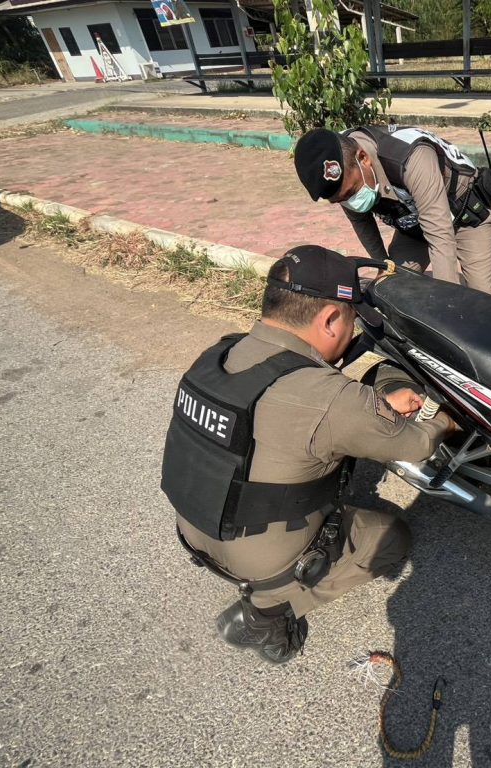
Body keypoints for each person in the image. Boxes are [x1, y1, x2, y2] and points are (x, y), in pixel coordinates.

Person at [160, 245, 456, 664]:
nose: (353, 332)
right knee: (391, 537)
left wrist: (371, 408)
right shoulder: (330, 397)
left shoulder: (217, 354)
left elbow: (292, 416)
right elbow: (417, 444)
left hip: (194, 528)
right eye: (352, 320)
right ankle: (268, 611)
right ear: (331, 318)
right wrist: (445, 420)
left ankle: (263, 583)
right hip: (260, 561)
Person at [294, 126, 491, 296]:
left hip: (466, 215)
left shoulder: (410, 158)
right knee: (392, 288)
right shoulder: (342, 168)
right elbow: (361, 222)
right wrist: (384, 266)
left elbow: (440, 237)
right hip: (415, 225)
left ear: (363, 158)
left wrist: (447, 305)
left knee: (483, 300)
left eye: (351, 192)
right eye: (340, 201)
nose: (350, 202)